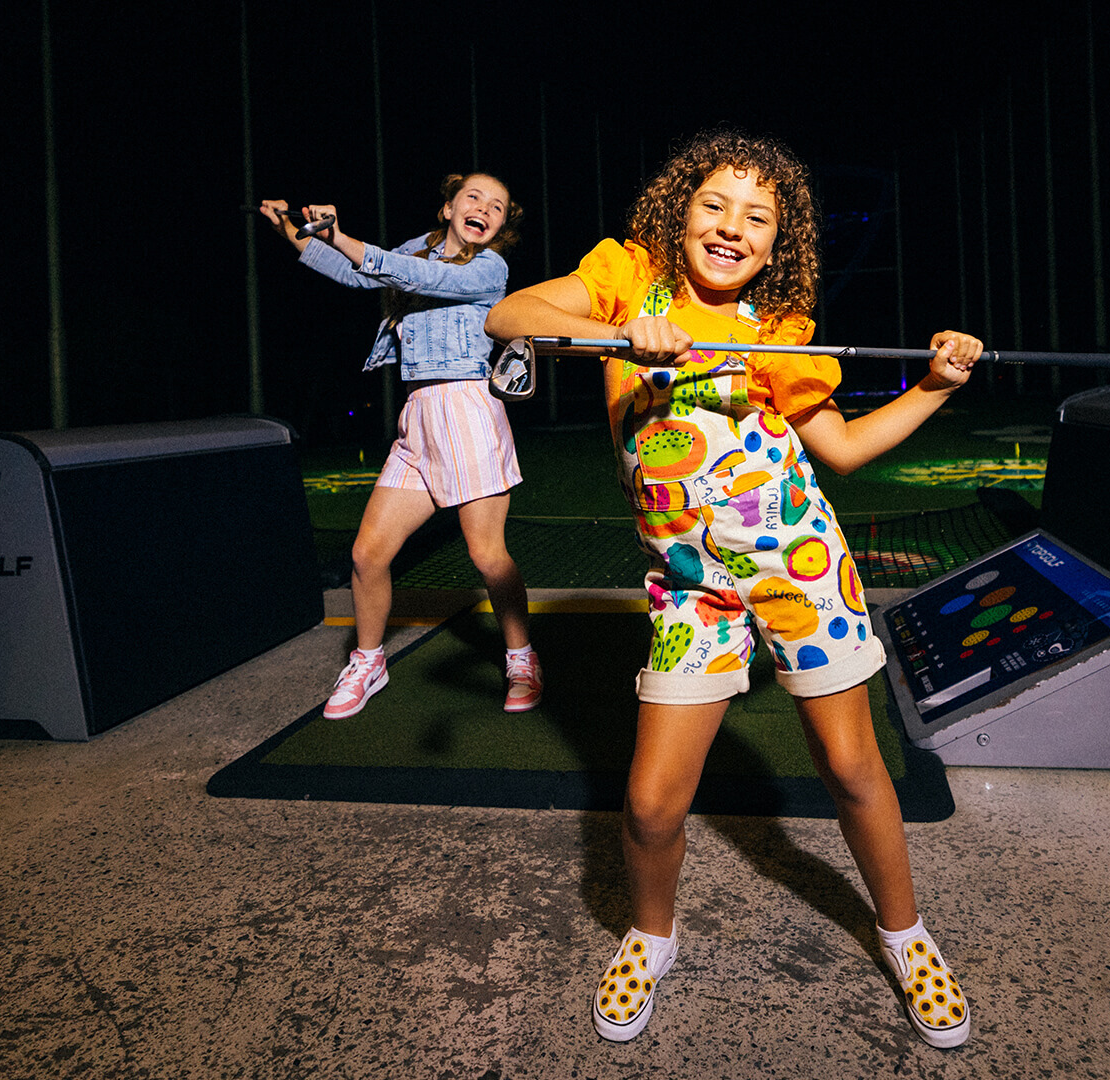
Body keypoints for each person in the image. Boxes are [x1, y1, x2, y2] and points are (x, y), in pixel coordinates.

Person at [486, 129, 982, 1049]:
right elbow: (508, 316)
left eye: (758, 218)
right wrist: (621, 332)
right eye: (714, 204)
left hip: (803, 571)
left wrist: (936, 385)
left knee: (850, 769)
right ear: (679, 208)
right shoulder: (628, 279)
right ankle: (650, 934)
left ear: (775, 243)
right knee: (647, 804)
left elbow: (841, 450)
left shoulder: (780, 334)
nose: (731, 227)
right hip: (691, 588)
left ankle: (907, 936)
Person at [260, 173, 539, 720]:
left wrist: (340, 234)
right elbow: (354, 270)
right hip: (417, 414)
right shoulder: (416, 248)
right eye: (474, 197)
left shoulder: (490, 269)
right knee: (367, 554)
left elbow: (406, 272)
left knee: (487, 555)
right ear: (449, 207)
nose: (484, 208)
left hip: (465, 409)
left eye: (498, 207)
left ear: (502, 225)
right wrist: (292, 229)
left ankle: (521, 655)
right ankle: (368, 661)